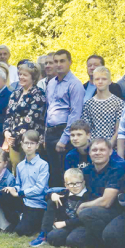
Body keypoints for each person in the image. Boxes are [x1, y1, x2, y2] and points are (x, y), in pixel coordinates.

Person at [76, 138, 125, 248]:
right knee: (72, 240)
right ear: (89, 153)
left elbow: (106, 202)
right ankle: (100, 240)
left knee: (85, 213)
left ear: (110, 152)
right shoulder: (87, 171)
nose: (98, 153)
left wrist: (84, 205)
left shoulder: (117, 169)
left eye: (102, 150)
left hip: (114, 211)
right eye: (94, 150)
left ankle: (108, 243)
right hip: (94, 213)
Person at [0, 130, 49, 236]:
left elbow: (40, 188)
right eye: (26, 143)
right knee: (1, 194)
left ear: (37, 145)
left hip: (37, 203)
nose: (29, 146)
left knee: (21, 231)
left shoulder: (43, 165)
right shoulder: (20, 165)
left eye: (32, 143)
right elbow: (18, 184)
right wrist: (14, 189)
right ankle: (15, 221)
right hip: (23, 200)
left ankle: (31, 222)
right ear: (22, 145)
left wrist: (20, 193)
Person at [45, 49, 85, 187]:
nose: (58, 64)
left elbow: (75, 113)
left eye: (62, 61)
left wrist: (64, 139)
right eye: (55, 61)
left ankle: (66, 203)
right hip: (50, 131)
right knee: (53, 171)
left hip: (64, 131)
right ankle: (53, 203)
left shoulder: (75, 84)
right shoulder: (51, 83)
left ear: (70, 62)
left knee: (64, 171)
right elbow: (49, 108)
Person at [30, 168, 92, 248]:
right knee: (53, 238)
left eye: (78, 183)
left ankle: (71, 237)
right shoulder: (64, 193)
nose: (75, 186)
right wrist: (52, 195)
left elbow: (85, 218)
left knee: (73, 241)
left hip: (79, 225)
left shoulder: (87, 196)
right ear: (66, 185)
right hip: (65, 226)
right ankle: (44, 233)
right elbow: (45, 195)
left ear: (83, 183)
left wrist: (65, 223)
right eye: (71, 184)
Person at [2, 61, 46, 169]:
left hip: (30, 141)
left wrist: (13, 136)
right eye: (20, 74)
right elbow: (8, 116)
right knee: (16, 170)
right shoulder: (15, 94)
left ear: (33, 77)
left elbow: (30, 120)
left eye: (25, 75)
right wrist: (6, 133)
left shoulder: (38, 94)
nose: (21, 77)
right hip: (14, 141)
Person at [82, 66, 124, 146]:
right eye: (97, 79)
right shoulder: (88, 104)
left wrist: (110, 144)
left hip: (112, 147)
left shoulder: (118, 103)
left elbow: (119, 129)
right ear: (93, 81)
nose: (100, 82)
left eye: (104, 79)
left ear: (110, 81)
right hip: (94, 147)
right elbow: (86, 129)